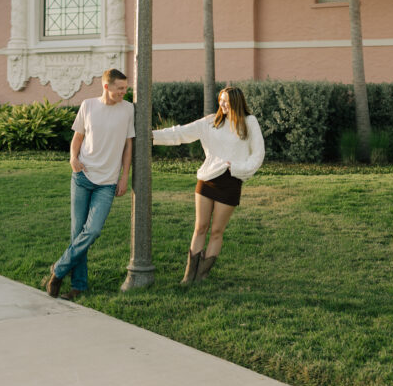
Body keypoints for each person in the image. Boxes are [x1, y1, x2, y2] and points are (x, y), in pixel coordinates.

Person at [152, 86, 264, 284]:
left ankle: (202, 276)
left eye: (226, 101)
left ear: (236, 102)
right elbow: (181, 133)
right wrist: (150, 135)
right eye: (221, 100)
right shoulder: (210, 122)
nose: (222, 104)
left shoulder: (250, 122)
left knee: (217, 231)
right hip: (207, 179)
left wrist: (236, 167)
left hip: (231, 180)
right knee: (200, 227)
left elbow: (258, 155)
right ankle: (188, 277)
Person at [45, 68, 134, 300]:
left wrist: (124, 176)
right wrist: (73, 158)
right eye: (120, 89)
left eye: (125, 88)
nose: (124, 92)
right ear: (107, 87)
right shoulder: (88, 105)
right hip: (82, 177)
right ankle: (78, 286)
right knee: (77, 233)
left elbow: (128, 146)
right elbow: (78, 137)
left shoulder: (128, 109)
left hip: (107, 182)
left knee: (92, 231)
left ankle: (59, 269)